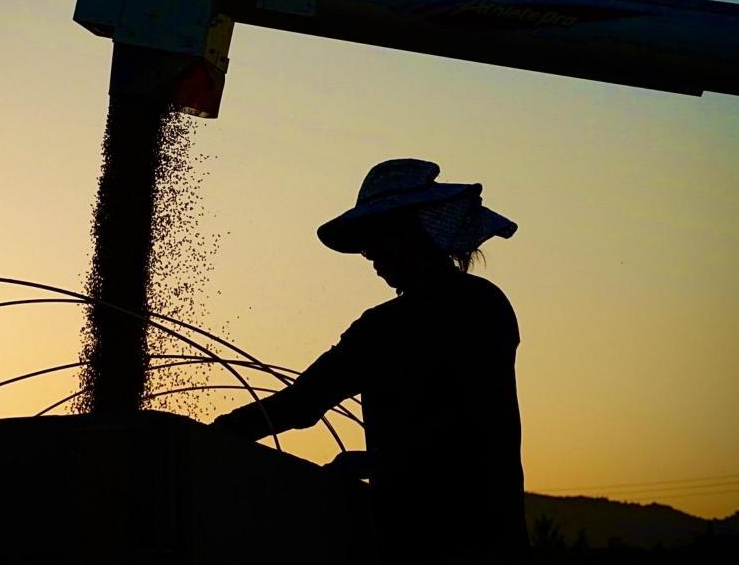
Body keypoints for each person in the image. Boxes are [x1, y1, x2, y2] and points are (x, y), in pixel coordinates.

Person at [211, 158, 530, 563]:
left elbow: (475, 422)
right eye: (367, 246)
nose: (372, 257)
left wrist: (380, 462)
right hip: (437, 537)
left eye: (378, 240)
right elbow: (303, 402)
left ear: (415, 233)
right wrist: (219, 433)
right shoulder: (396, 324)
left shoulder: (467, 310)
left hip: (465, 534)